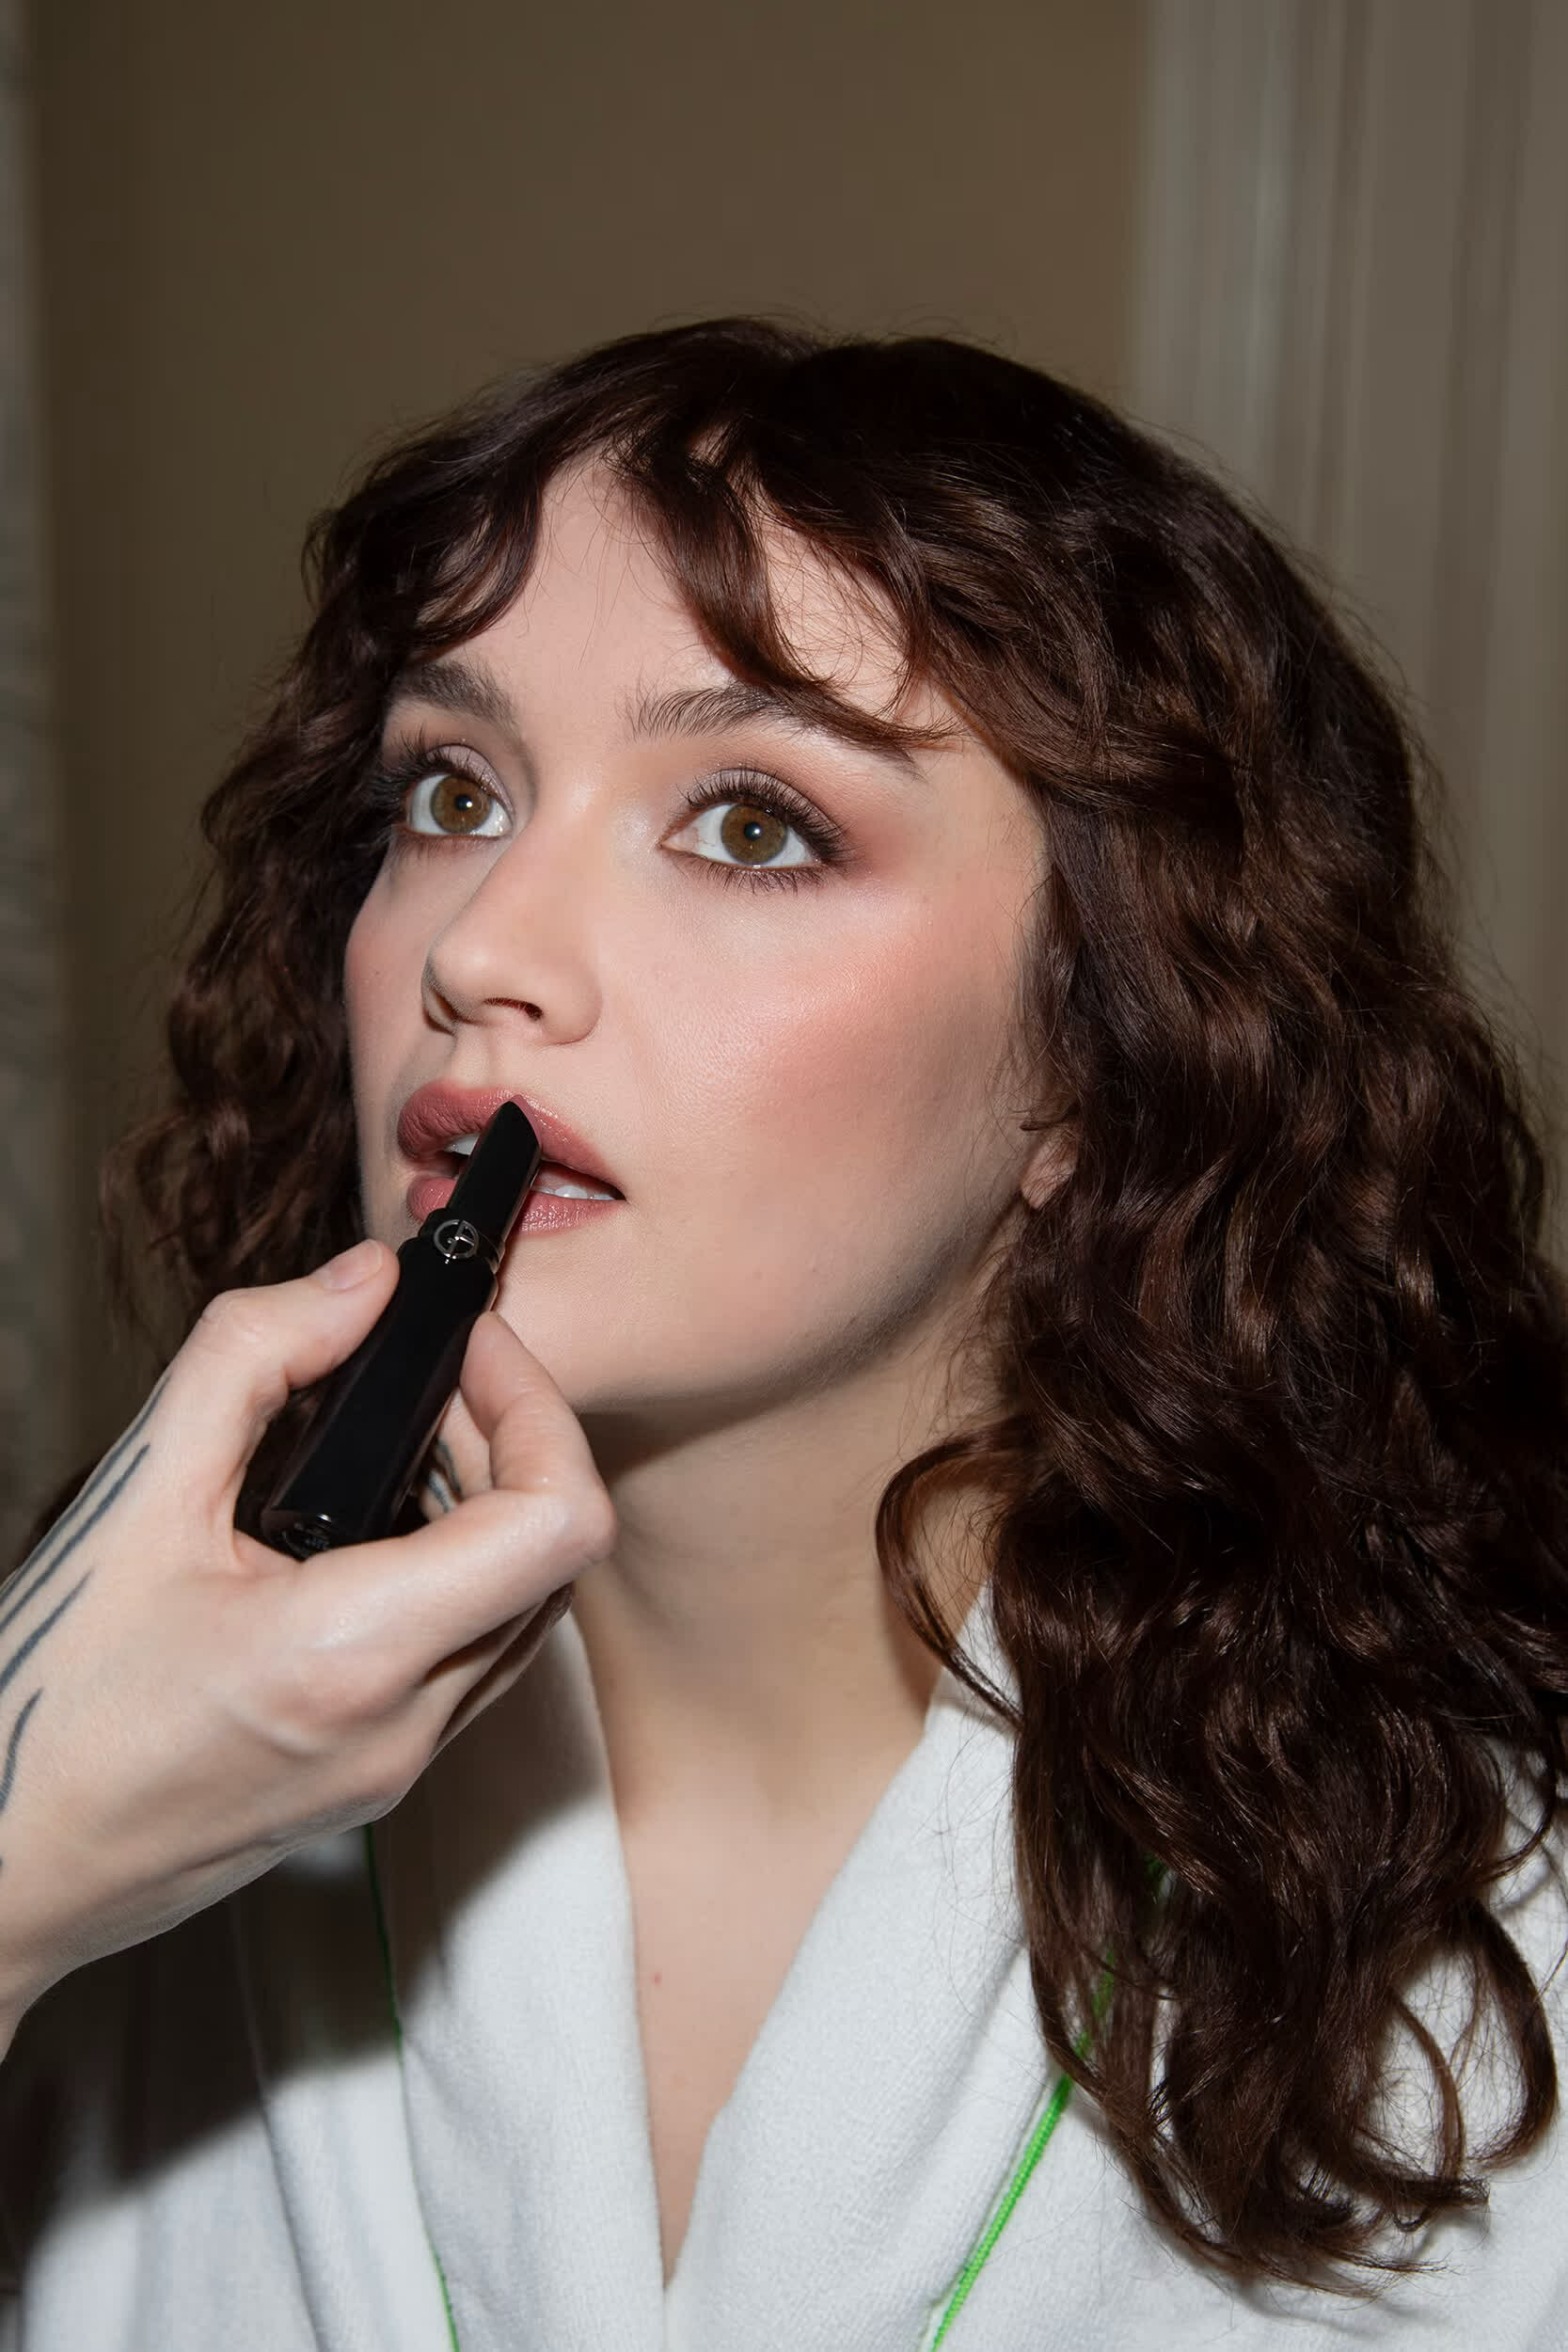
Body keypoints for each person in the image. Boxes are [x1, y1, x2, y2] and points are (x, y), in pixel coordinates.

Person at [2, 319, 1566, 2351]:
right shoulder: (119, 1791)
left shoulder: (1492, 1952)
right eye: (451, 790)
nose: (481, 947)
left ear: (1109, 1055)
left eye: (752, 823)